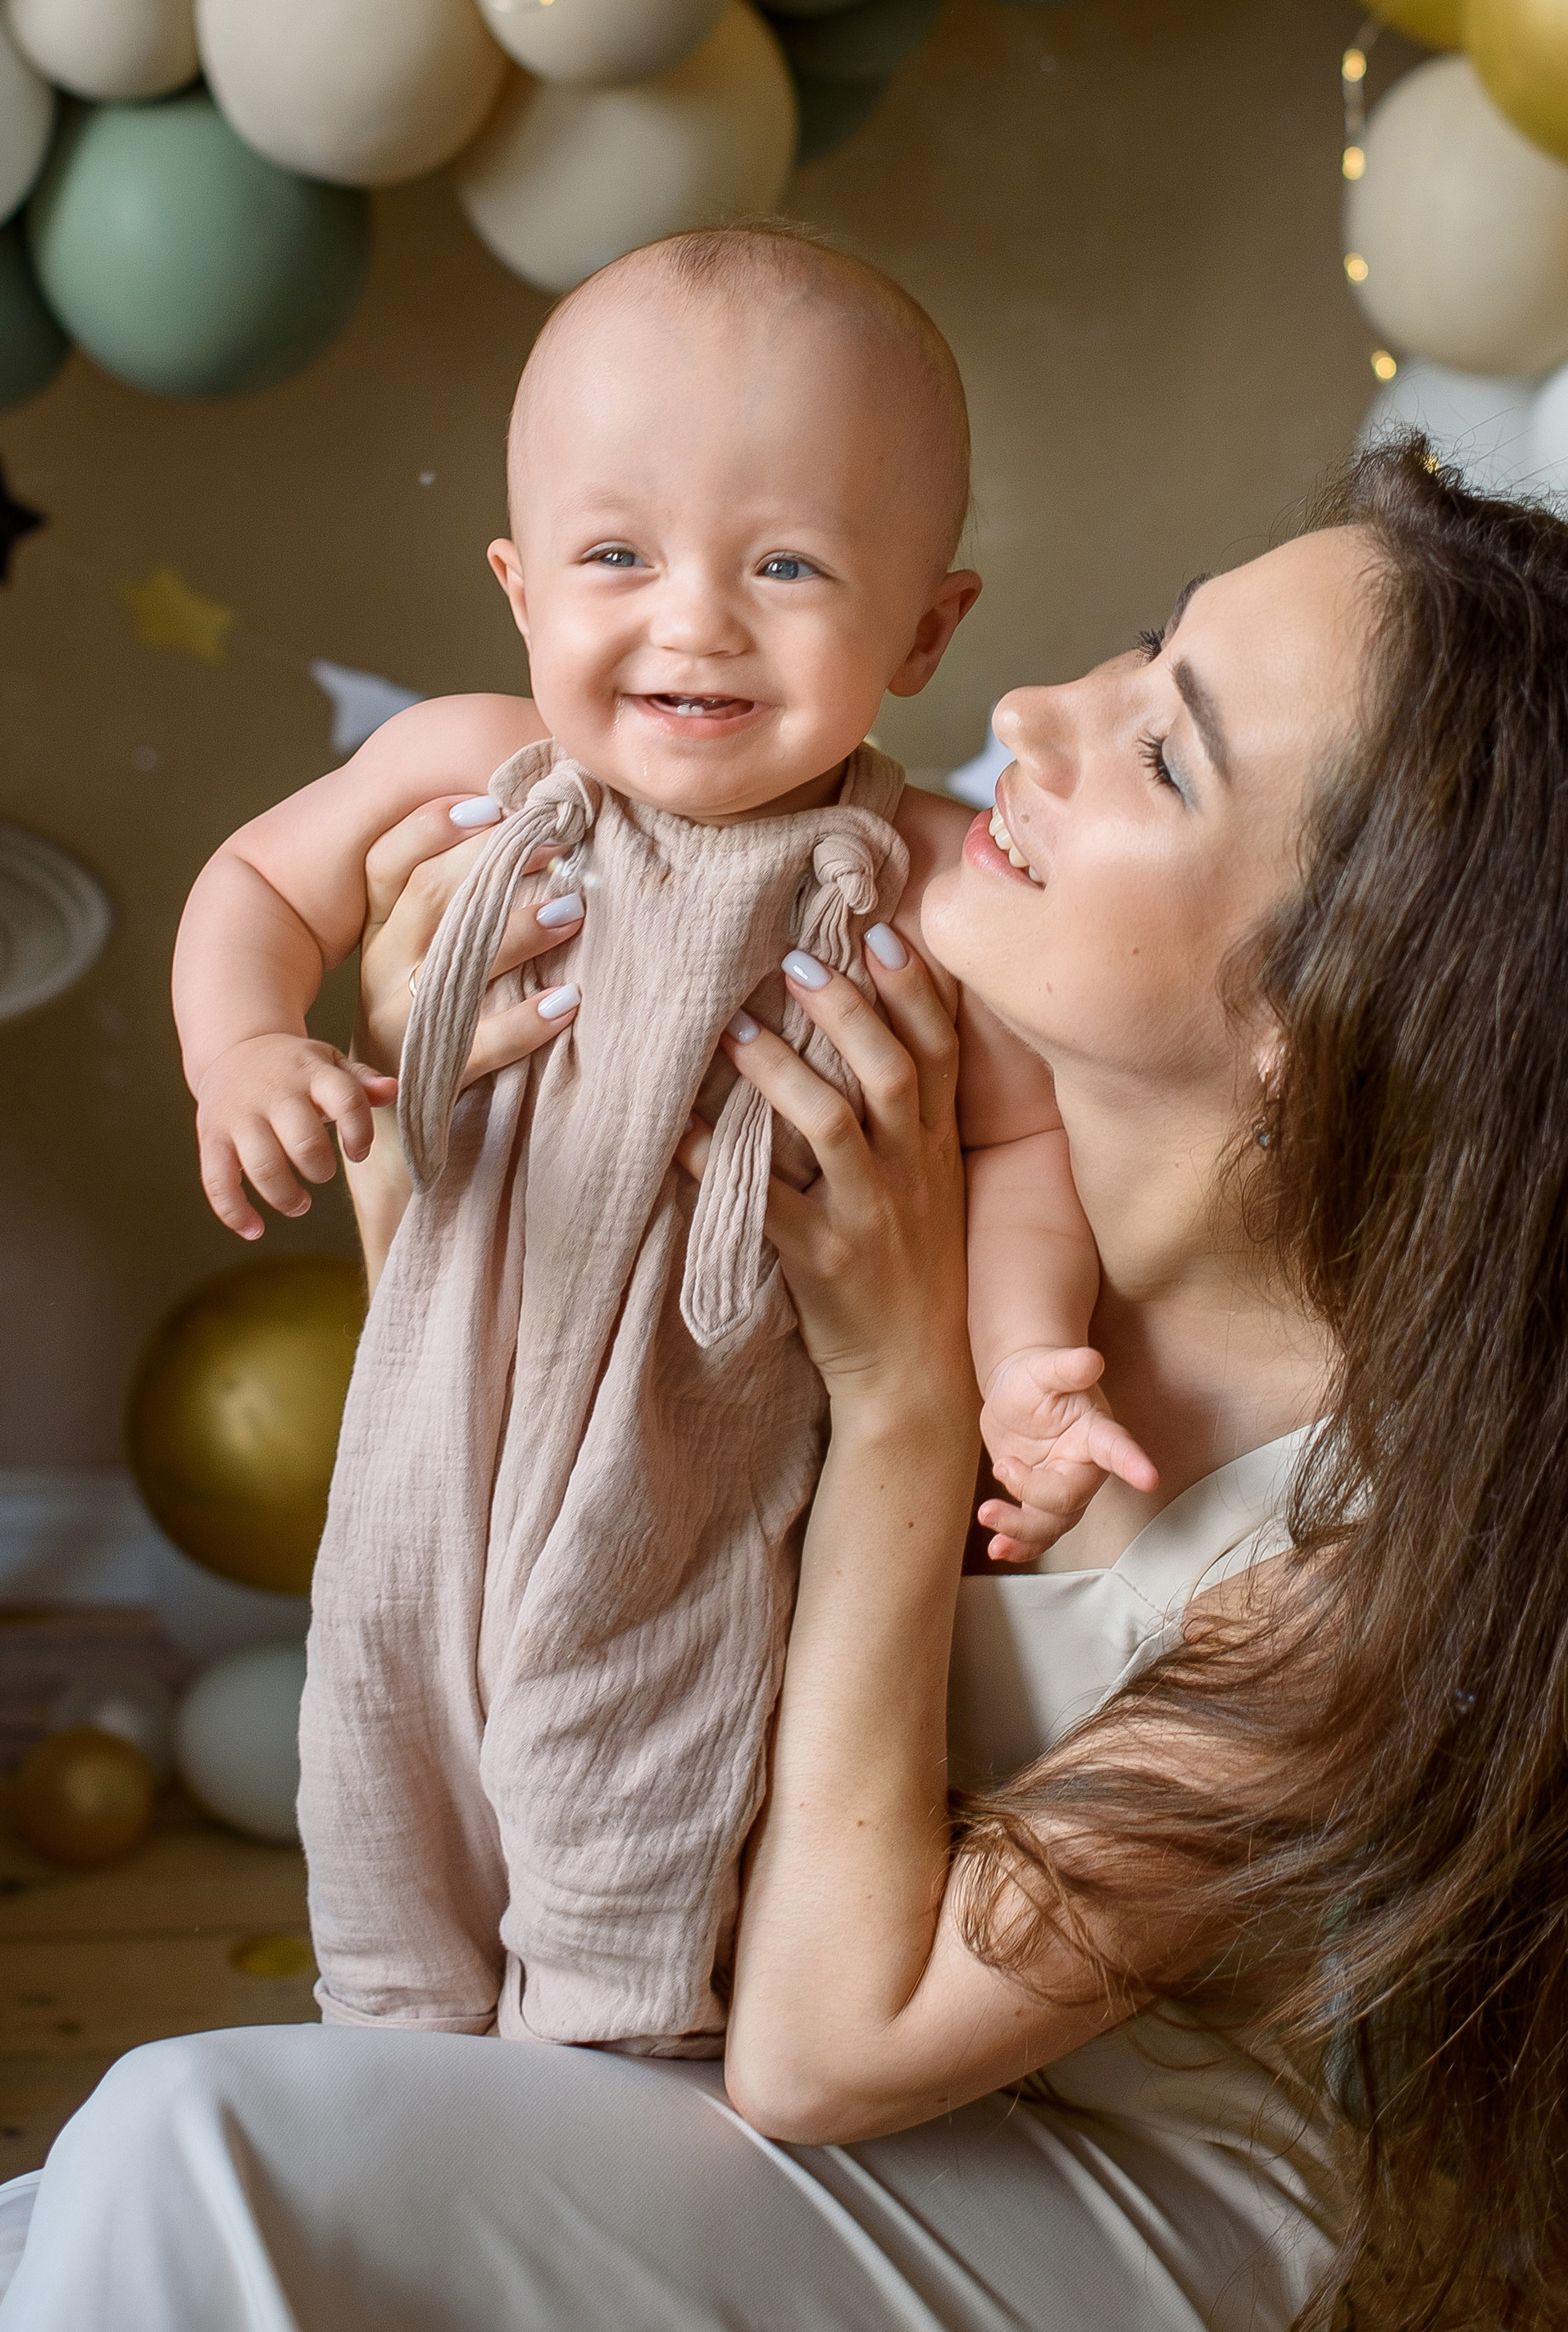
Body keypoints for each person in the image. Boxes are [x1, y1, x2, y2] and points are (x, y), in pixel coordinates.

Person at [0, 448, 1568, 2332]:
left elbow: (831, 2053)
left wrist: (902, 1402)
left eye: (1166, 754)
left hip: (1076, 2247)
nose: (1030, 713)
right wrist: (443, 1155)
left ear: (1334, 1012)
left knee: (193, 2156)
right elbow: (504, 1521)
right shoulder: (925, 1138)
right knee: (0, 2282)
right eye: (1142, 648)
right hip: (666, 2044)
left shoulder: (1375, 1562)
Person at [170, 224, 1152, 2052]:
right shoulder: (470, 764)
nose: (692, 617)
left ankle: (595, 2084)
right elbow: (253, 881)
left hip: (690, 1456)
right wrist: (244, 1047)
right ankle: (394, 2059)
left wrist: (1022, 1361)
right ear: (523, 586)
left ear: (926, 625)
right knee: (385, 1743)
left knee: (631, 1791)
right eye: (617, 555)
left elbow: (1022, 1149)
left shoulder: (925, 874)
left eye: (784, 564)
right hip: (432, 1416)